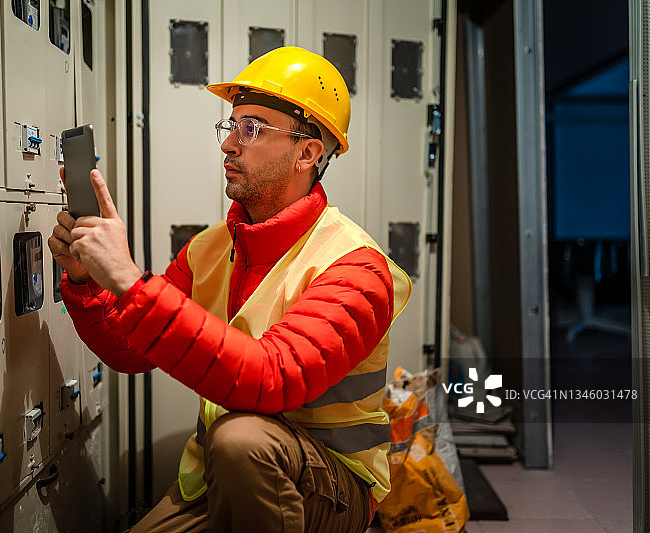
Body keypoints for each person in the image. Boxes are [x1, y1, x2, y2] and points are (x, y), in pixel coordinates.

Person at [48, 46, 411, 533]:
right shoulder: (213, 247)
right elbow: (127, 351)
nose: (229, 144)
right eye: (232, 125)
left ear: (308, 153)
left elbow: (271, 380)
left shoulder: (355, 268)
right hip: (223, 476)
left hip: (328, 488)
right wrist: (85, 278)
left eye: (253, 128)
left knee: (243, 439)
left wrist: (130, 280)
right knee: (237, 447)